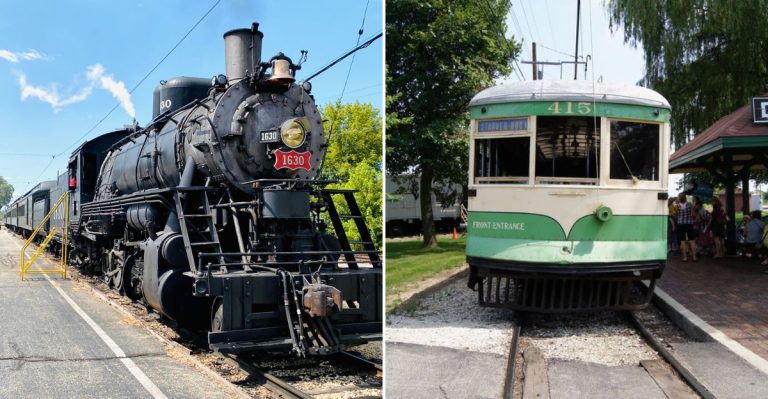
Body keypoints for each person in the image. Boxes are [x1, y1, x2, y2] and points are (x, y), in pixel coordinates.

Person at [676, 193, 697, 262]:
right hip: (689, 224)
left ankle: (685, 258)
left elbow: (675, 215)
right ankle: (694, 257)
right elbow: (693, 214)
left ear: (679, 198)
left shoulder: (677, 206)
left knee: (682, 241)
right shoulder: (690, 204)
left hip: (681, 224)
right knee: (692, 240)